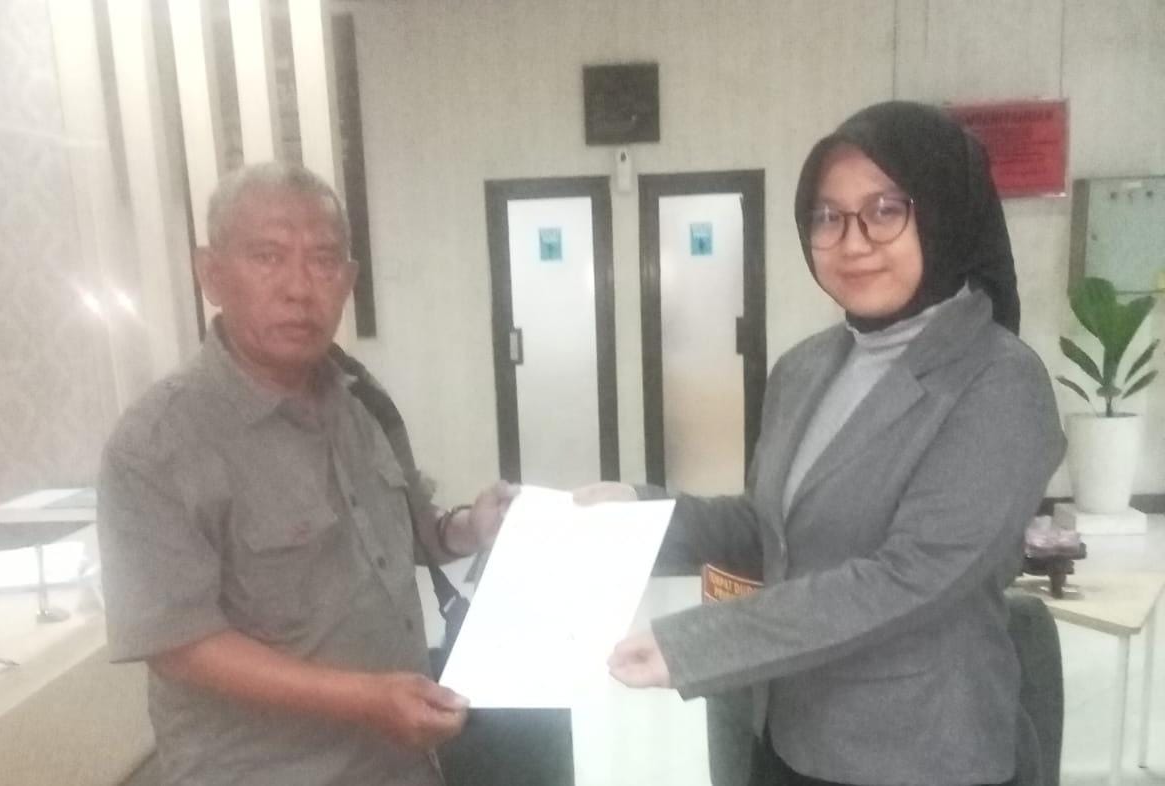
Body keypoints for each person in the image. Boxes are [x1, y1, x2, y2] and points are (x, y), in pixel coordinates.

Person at [599, 101, 1066, 786]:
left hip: (917, 754)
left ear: (943, 212)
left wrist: (697, 644)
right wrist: (634, 512)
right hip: (789, 733)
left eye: (885, 210)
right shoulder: (805, 367)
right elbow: (770, 530)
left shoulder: (999, 382)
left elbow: (912, 576)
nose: (852, 241)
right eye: (827, 216)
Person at [97, 162, 516, 786]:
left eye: (322, 261)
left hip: (400, 761)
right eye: (267, 257)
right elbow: (179, 644)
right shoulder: (158, 443)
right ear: (211, 274)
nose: (299, 287)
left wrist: (468, 529)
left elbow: (402, 532)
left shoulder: (360, 399)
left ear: (347, 280)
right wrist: (367, 700)